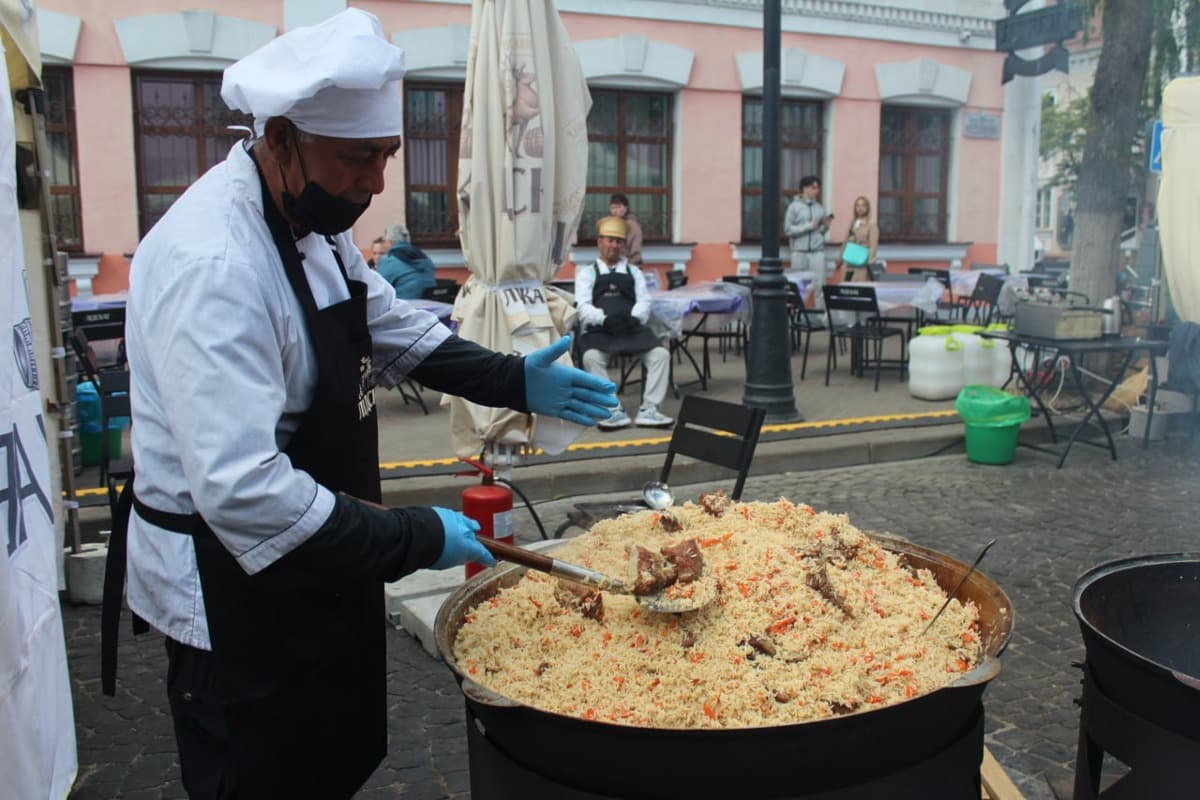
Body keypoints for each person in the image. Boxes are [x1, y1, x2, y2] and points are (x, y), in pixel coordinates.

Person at [100, 10, 617, 799]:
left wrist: (511, 379)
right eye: (356, 160)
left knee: (326, 757)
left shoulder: (310, 217)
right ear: (279, 139)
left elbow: (388, 323)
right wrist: (411, 533)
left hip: (320, 559)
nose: (375, 184)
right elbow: (242, 490)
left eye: (386, 156)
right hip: (230, 584)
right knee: (258, 774)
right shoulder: (215, 264)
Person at [575, 216, 674, 430]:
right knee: (591, 357)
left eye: (618, 241)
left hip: (631, 329)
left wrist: (634, 318)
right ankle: (612, 410)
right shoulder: (587, 273)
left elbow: (644, 300)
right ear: (600, 242)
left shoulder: (633, 272)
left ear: (623, 245)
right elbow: (582, 306)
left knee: (660, 355)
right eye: (609, 240)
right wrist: (604, 319)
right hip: (601, 331)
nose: (614, 245)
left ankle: (650, 409)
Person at [784, 175, 834, 307]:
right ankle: (798, 317)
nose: (816, 190)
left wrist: (825, 227)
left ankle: (820, 318)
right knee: (798, 287)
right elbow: (788, 230)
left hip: (817, 252)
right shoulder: (793, 207)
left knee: (820, 286)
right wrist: (809, 226)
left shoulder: (819, 208)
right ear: (805, 188)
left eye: (818, 188)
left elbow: (820, 232)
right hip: (799, 252)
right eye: (814, 187)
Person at [376, 222, 436, 299]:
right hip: (428, 303)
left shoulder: (388, 260)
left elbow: (381, 289)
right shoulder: (424, 257)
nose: (384, 245)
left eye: (385, 241)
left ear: (391, 241)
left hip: (404, 305)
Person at [842, 195, 879, 280]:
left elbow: (873, 246)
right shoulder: (852, 222)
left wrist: (870, 264)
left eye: (863, 205)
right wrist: (840, 258)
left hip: (862, 262)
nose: (860, 208)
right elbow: (845, 241)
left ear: (867, 208)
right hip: (849, 261)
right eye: (857, 205)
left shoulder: (871, 224)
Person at [608, 192, 643, 266]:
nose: (615, 211)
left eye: (618, 207)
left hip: (629, 266)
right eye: (612, 208)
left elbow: (635, 251)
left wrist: (628, 265)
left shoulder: (632, 225)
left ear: (626, 208)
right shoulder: (611, 224)